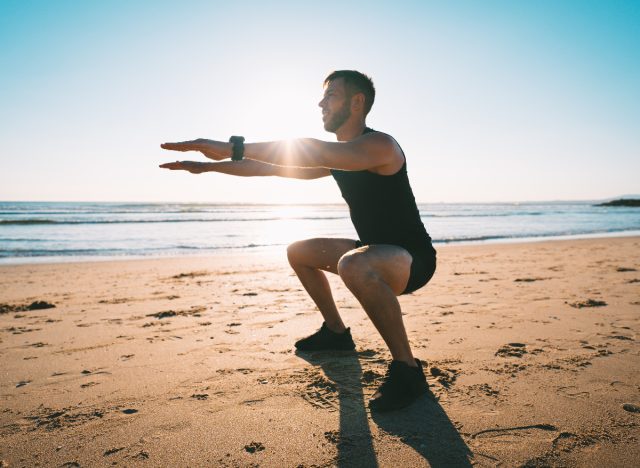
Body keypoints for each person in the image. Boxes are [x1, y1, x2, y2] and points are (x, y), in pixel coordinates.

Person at [159, 70, 437, 412]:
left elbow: (313, 151)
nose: (321, 102)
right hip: (375, 253)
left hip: (413, 261)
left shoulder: (380, 145)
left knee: (352, 262)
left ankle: (408, 370)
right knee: (300, 252)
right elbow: (270, 168)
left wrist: (234, 146)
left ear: (357, 102)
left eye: (330, 95)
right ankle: (337, 334)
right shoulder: (340, 156)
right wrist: (209, 168)